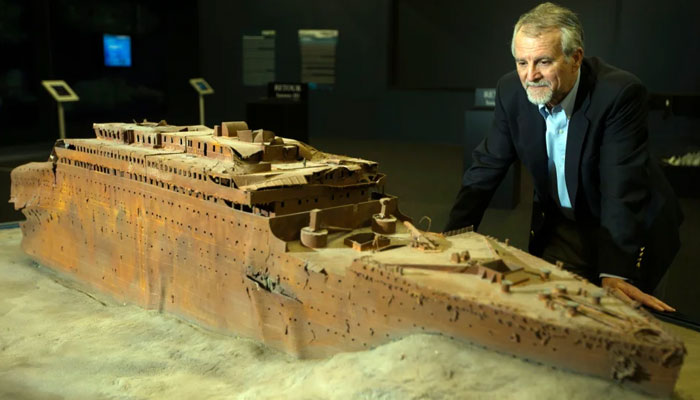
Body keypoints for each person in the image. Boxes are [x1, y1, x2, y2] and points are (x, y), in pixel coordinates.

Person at [445, 2, 682, 312]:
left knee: (622, 320)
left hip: (630, 226)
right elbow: (487, 166)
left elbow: (622, 188)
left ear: (576, 58)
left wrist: (614, 273)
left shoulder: (619, 94)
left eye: (543, 61)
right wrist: (451, 237)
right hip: (565, 223)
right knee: (555, 311)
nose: (530, 75)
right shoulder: (511, 91)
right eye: (521, 62)